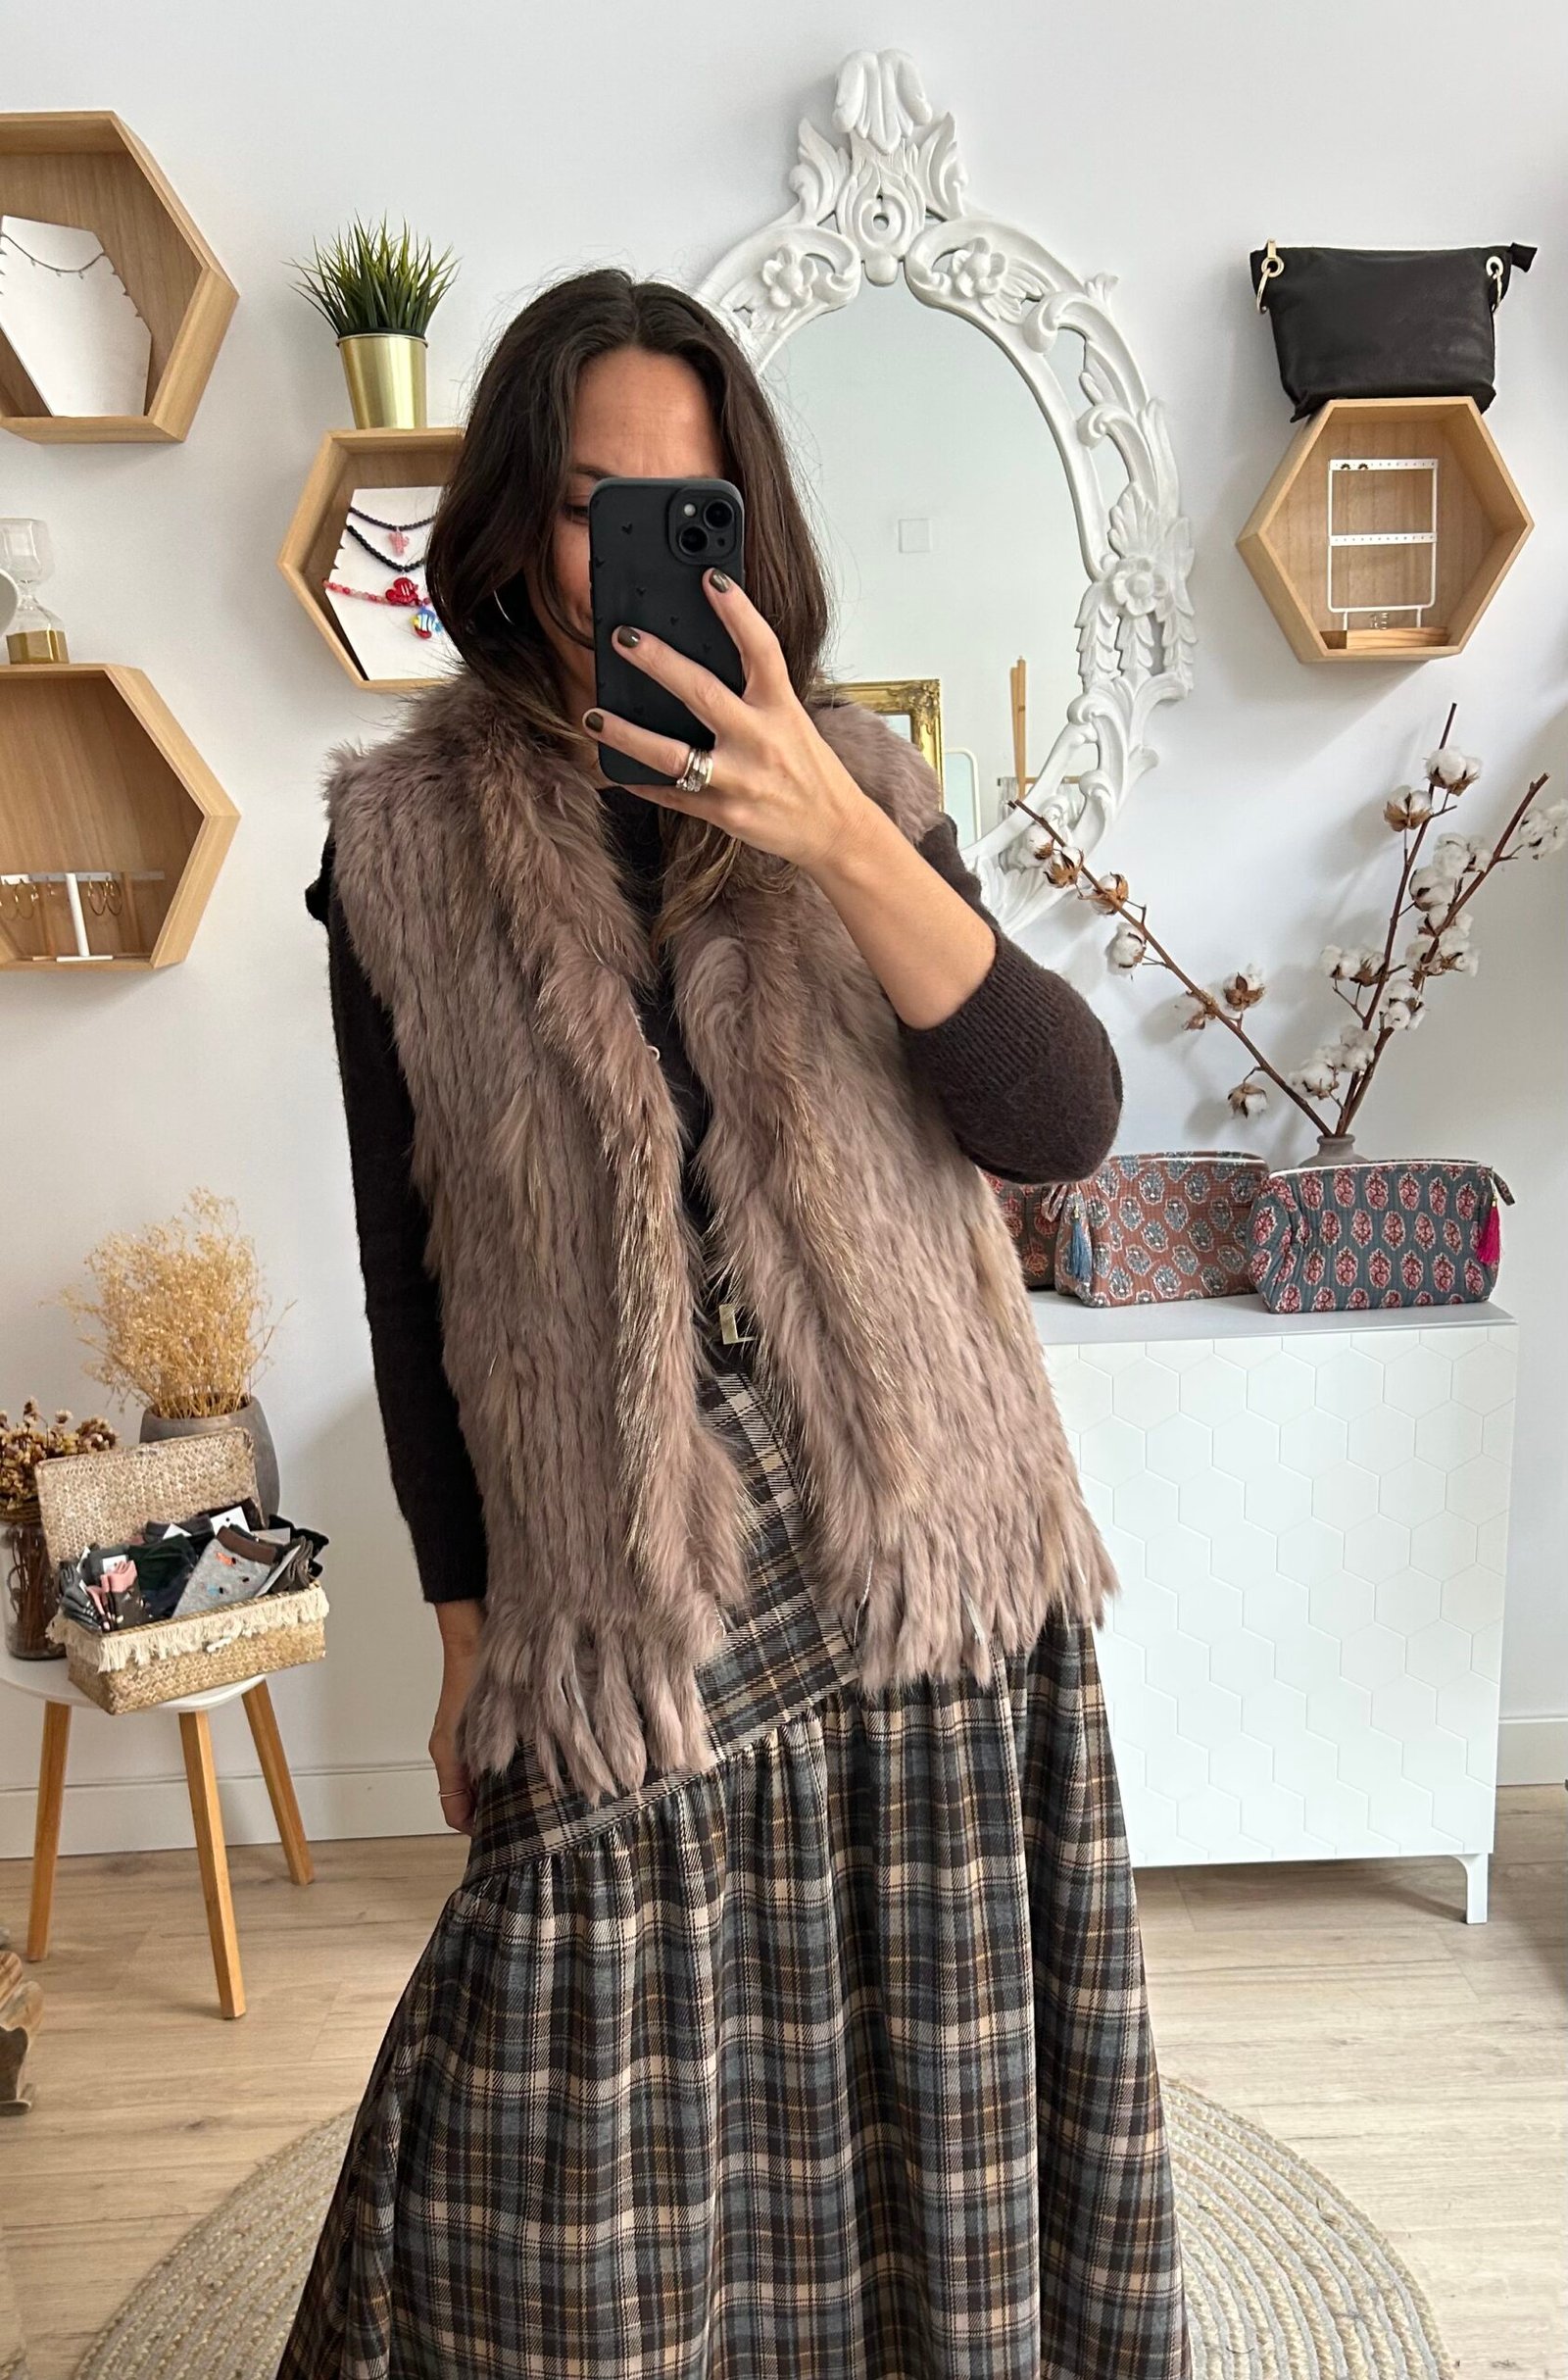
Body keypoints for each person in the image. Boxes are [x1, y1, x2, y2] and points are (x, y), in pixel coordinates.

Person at [277, 268, 1191, 2378]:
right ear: (516, 522)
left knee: (919, 2116)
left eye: (684, 505)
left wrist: (841, 834)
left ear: (746, 521)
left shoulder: (862, 780)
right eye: (592, 501)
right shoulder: (395, 848)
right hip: (629, 1587)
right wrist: (462, 1629)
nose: (637, 552)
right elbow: (411, 1273)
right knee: (553, 2152)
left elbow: (1058, 1122)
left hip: (920, 1549)